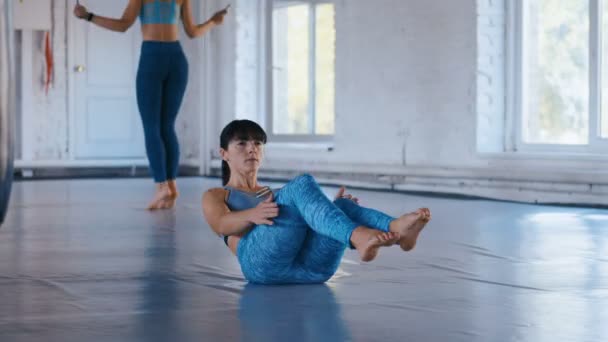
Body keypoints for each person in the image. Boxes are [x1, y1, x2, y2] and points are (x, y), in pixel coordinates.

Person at [202, 120, 431, 285]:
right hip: (262, 267)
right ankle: (359, 236)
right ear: (224, 153)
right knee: (302, 184)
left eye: (258, 143)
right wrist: (251, 214)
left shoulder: (280, 195)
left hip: (313, 271)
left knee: (341, 206)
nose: (252, 148)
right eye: (242, 143)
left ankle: (397, 229)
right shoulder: (218, 194)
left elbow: (313, 221)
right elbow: (220, 224)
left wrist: (335, 209)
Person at [73, 0, 229, 209]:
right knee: (167, 126)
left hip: (152, 57)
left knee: (151, 126)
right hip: (177, 59)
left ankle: (161, 187)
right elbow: (192, 32)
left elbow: (123, 25)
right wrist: (213, 21)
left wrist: (88, 16)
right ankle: (172, 188)